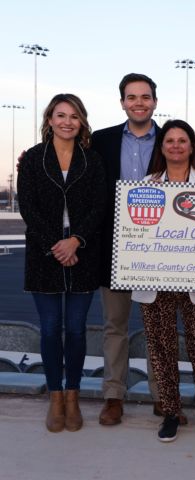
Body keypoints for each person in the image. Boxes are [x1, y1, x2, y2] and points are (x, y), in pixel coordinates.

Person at [17, 93, 106, 433]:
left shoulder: (92, 160)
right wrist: (55, 244)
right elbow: (28, 207)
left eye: (74, 116)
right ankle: (55, 398)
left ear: (81, 121)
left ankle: (73, 396)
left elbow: (99, 206)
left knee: (77, 330)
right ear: (50, 120)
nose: (67, 121)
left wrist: (75, 240)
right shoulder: (33, 159)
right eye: (61, 115)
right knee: (52, 329)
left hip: (82, 251)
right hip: (45, 252)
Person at [131, 119, 195, 443]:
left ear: (191, 147)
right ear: (162, 147)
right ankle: (171, 412)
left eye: (181, 140)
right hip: (156, 283)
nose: (175, 145)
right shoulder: (145, 185)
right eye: (169, 140)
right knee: (161, 350)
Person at [91, 73, 163, 426]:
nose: (139, 102)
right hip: (113, 249)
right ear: (122, 102)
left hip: (157, 253)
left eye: (145, 96)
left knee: (157, 327)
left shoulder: (172, 139)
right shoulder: (100, 140)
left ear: (154, 101)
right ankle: (113, 396)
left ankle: (162, 395)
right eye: (132, 97)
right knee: (114, 326)